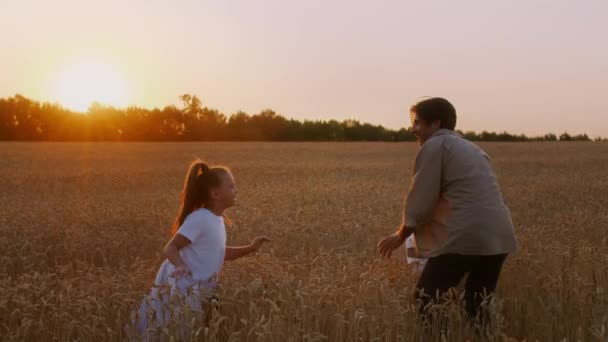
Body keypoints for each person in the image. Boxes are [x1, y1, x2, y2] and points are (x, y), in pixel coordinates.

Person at [378, 97, 518, 326]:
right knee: (477, 306)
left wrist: (400, 235)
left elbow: (422, 198)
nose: (413, 129)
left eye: (418, 123)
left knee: (426, 298)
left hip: (463, 236)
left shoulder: (435, 145)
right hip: (498, 238)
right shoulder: (474, 149)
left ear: (436, 124)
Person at [128, 160, 271, 339]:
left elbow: (218, 253)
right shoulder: (200, 218)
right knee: (175, 334)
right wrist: (180, 265)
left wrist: (251, 248)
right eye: (231, 186)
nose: (236, 190)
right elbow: (170, 247)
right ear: (215, 193)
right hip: (185, 291)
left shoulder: (216, 219)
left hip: (202, 291)